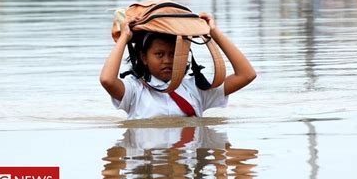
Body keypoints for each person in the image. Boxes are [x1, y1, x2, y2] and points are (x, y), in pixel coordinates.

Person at [100, 12, 256, 119]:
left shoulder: (197, 88)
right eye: (159, 54)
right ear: (143, 57)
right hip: (148, 167)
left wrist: (214, 33)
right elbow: (107, 80)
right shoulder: (134, 90)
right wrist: (124, 39)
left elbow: (247, 75)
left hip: (184, 166)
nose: (167, 60)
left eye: (174, 54)